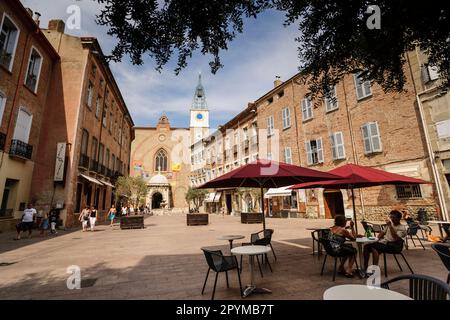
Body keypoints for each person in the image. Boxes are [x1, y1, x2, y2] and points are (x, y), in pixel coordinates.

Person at [363, 210, 407, 275]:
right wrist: (376, 239)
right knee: (366, 247)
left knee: (374, 247)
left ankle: (374, 270)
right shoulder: (389, 225)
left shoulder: (402, 228)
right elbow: (382, 233)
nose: (392, 219)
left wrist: (390, 227)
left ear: (399, 219)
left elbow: (395, 238)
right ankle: (365, 268)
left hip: (395, 246)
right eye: (391, 217)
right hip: (385, 244)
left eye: (393, 217)